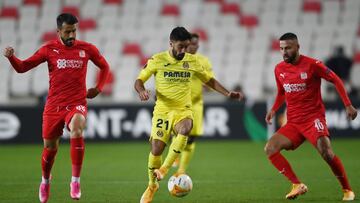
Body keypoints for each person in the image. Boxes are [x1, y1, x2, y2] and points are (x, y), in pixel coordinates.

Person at [3, 13, 110, 203]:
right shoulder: (48, 49)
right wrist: (12, 58)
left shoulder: (87, 49)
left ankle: (75, 181)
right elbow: (22, 67)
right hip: (53, 106)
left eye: (74, 31)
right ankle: (45, 180)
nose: (72, 35)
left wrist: (98, 88)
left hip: (76, 103)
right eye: (68, 31)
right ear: (58, 31)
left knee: (77, 127)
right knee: (50, 149)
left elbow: (104, 67)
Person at [134, 27, 243, 203]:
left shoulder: (192, 61)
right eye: (180, 47)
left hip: (183, 109)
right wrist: (141, 91)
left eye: (187, 46)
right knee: (156, 148)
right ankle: (152, 185)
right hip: (162, 110)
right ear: (171, 44)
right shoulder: (157, 60)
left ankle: (164, 169)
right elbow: (139, 80)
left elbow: (209, 80)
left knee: (186, 128)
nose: (184, 51)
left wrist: (227, 93)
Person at [264, 33, 357, 201]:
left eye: (288, 48)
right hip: (293, 122)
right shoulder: (279, 69)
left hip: (313, 119)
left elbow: (336, 80)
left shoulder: (313, 65)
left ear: (298, 47)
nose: (284, 52)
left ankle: (347, 190)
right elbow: (281, 92)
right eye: (281, 49)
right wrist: (274, 109)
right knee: (270, 148)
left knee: (326, 153)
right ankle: (297, 185)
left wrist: (348, 104)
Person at [171, 33, 215, 175]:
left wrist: (202, 78)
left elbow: (210, 84)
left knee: (191, 138)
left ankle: (181, 170)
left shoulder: (203, 61)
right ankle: (175, 155)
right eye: (191, 44)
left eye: (196, 44)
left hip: (195, 104)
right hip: (178, 103)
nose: (193, 47)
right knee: (177, 133)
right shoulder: (177, 60)